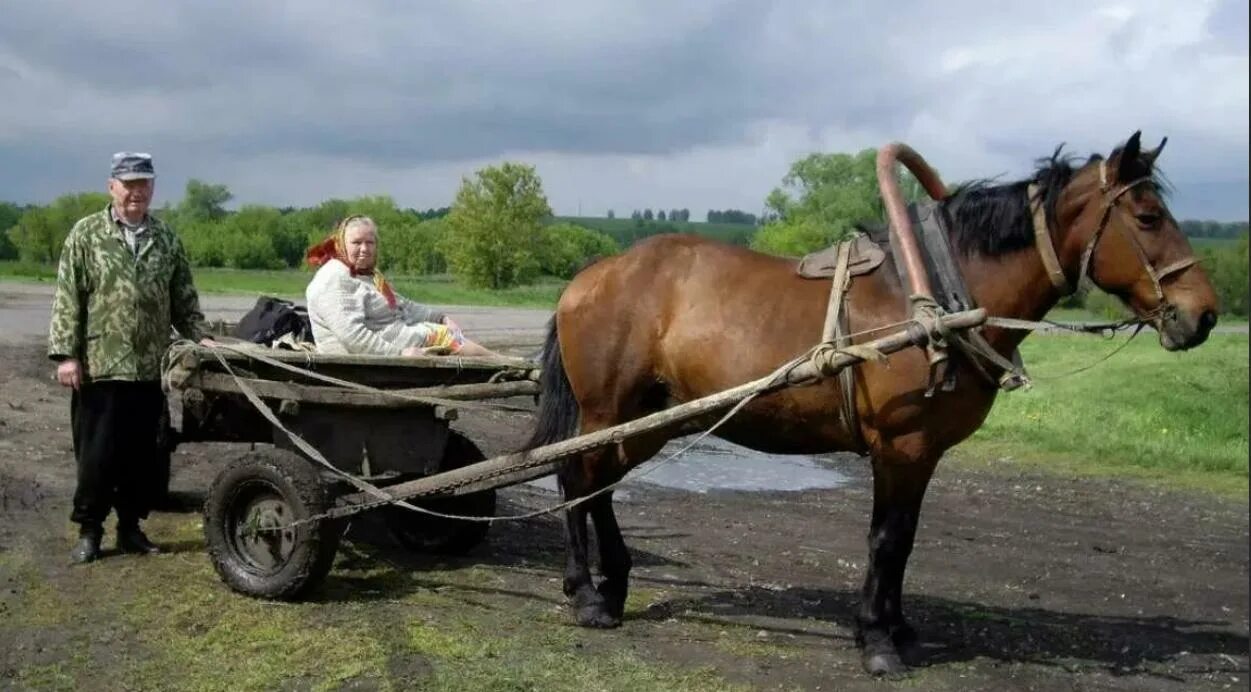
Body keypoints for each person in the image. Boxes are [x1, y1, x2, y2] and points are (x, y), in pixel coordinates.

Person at [47, 152, 213, 564]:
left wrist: (201, 338)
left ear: (153, 188)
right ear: (112, 187)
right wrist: (68, 355)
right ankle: (90, 530)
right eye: (129, 184)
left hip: (148, 369)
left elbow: (184, 298)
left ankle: (130, 528)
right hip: (101, 366)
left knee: (143, 457)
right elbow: (68, 298)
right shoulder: (86, 234)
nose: (137, 191)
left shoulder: (165, 239)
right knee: (98, 456)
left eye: (145, 184)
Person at [304, 215, 501, 358]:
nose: (364, 249)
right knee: (444, 336)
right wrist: (400, 353)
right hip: (360, 359)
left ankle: (502, 362)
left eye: (370, 243)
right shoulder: (334, 278)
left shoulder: (367, 275)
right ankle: (505, 363)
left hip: (391, 338)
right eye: (357, 243)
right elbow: (352, 336)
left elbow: (402, 305)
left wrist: (441, 317)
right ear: (341, 244)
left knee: (444, 330)